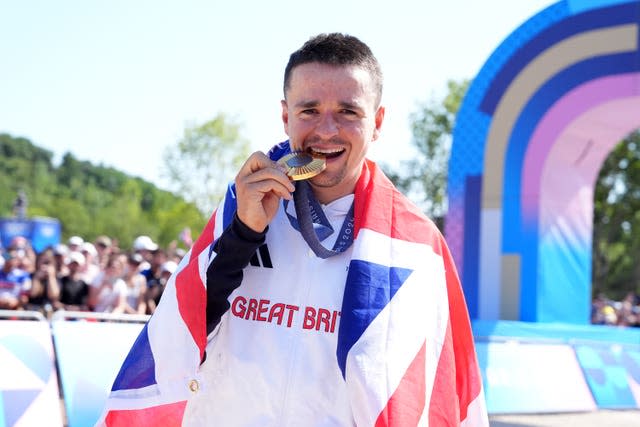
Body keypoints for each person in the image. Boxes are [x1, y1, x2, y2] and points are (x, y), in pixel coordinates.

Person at [98, 33, 488, 426]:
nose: (327, 130)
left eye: (348, 112)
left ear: (378, 122)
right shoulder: (242, 204)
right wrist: (244, 233)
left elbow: (438, 395)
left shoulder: (416, 244)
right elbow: (180, 342)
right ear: (286, 116)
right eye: (310, 110)